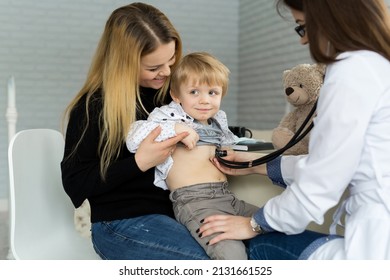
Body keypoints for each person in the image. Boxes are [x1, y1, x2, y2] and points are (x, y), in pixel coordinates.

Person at [199, 0, 390, 260]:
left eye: (303, 27)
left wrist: (255, 223)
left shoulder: (352, 70)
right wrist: (259, 165)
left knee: (258, 246)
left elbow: (321, 180)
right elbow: (335, 163)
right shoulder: (378, 64)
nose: (303, 40)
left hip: (373, 248)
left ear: (330, 18)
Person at [60, 2, 210, 260]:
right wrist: (139, 162)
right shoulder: (93, 107)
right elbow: (75, 183)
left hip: (179, 211)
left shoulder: (171, 95)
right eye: (153, 68)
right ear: (123, 63)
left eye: (171, 59)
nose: (167, 72)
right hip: (120, 222)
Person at [126, 52, 259, 260]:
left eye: (213, 93)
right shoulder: (169, 116)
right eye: (194, 92)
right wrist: (175, 128)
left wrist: (263, 148)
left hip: (227, 197)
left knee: (274, 221)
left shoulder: (217, 120)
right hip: (196, 202)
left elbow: (233, 143)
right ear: (176, 95)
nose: (205, 100)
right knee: (231, 254)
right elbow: (133, 138)